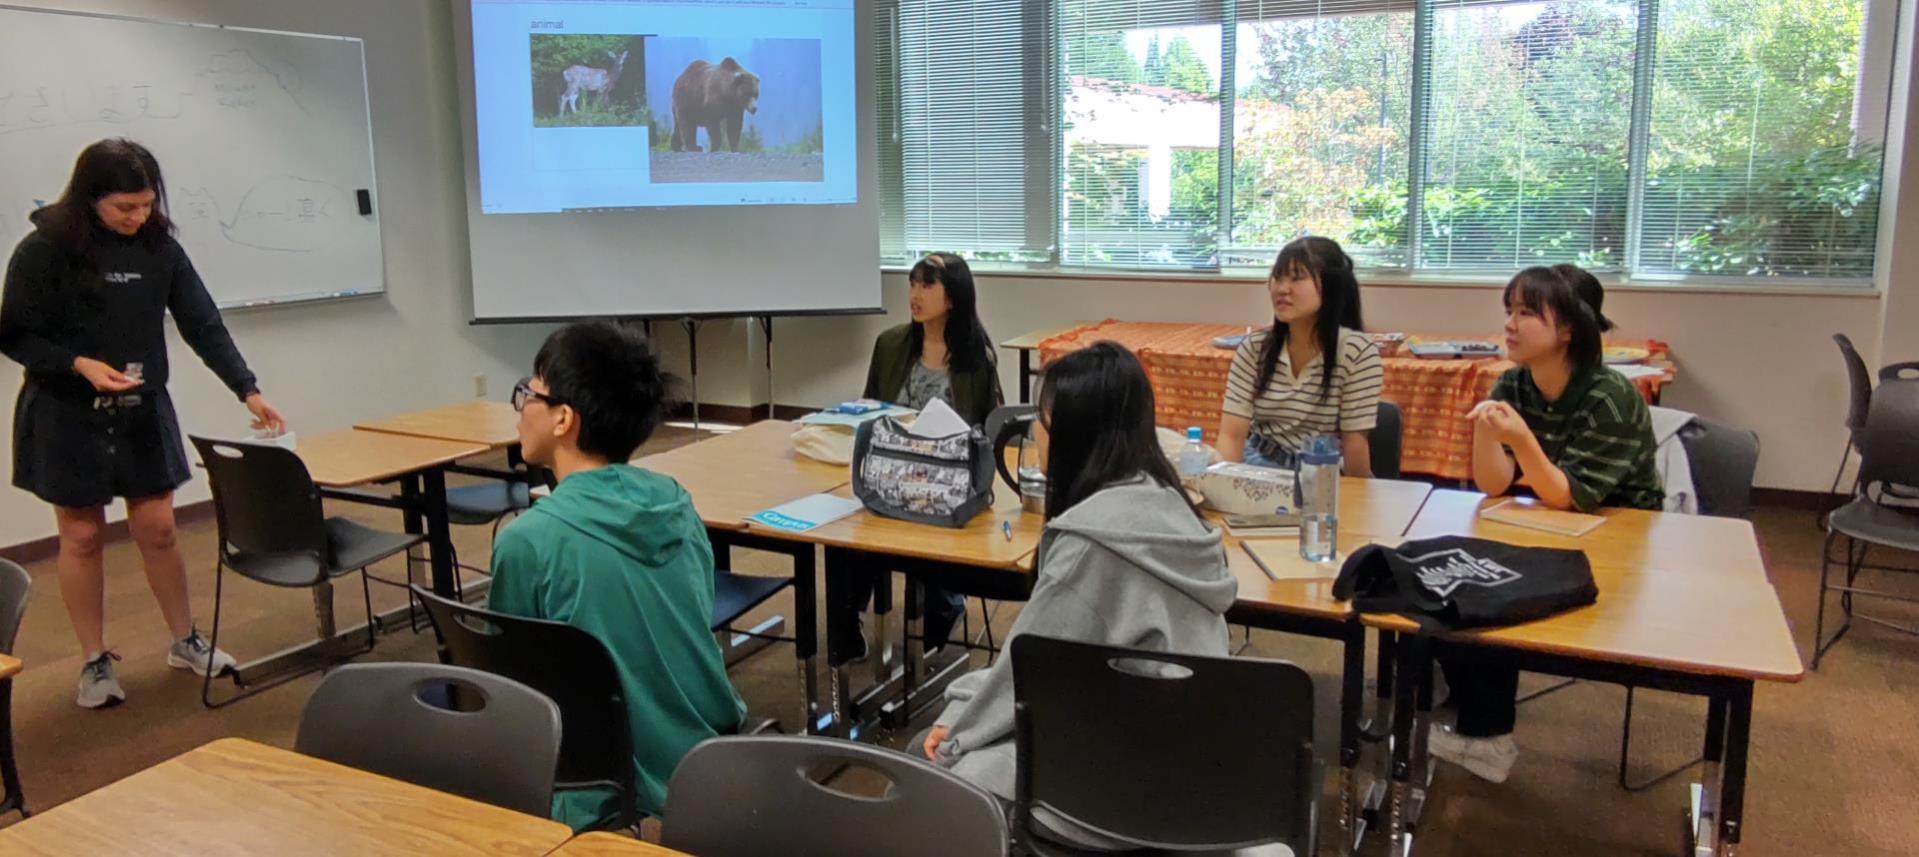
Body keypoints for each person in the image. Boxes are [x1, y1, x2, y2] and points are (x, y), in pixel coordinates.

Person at [0, 139, 285, 709]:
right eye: (124, 207)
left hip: (140, 408)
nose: (138, 217)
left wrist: (247, 389)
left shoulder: (160, 250)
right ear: (90, 200)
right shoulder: (44, 250)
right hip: (65, 409)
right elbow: (13, 333)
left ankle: (184, 639)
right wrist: (79, 364)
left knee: (158, 528)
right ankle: (94, 660)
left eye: (147, 203)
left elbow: (202, 323)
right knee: (81, 535)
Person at [921, 341, 1236, 851]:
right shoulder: (1172, 509)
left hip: (1120, 785)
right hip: (1192, 758)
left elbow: (1025, 669)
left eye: (1041, 422)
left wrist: (956, 725)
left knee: (936, 760)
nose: (1035, 435)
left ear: (1072, 436)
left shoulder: (1093, 543)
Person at [488, 321, 745, 830]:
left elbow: (508, 685)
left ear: (563, 418)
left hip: (596, 777)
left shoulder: (528, 540)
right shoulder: (675, 502)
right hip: (709, 749)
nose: (520, 410)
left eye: (528, 394)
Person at [1431, 265, 1663, 784]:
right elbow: (1493, 485)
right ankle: (1477, 721)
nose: (1510, 325)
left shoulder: (1610, 396)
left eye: (1528, 313)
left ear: (1568, 330)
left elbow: (1571, 495)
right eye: (1509, 311)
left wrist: (1521, 438)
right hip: (1548, 527)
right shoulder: (1515, 381)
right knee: (1452, 583)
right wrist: (1489, 434)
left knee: (1495, 599)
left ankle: (1486, 735)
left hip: (1619, 534)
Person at [836, 252, 1003, 659]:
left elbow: (989, 430)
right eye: (912, 284)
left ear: (953, 298)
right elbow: (872, 410)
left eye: (927, 285)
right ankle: (847, 619)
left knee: (929, 534)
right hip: (892, 471)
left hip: (946, 479)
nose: (914, 294)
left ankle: (945, 603)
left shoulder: (976, 358)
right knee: (852, 527)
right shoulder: (890, 343)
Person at [1216, 236, 1380, 476]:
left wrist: (1359, 501)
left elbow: (1355, 444)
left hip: (1325, 471)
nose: (1282, 288)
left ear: (1331, 285)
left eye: (1297, 277)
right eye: (1278, 277)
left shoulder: (1357, 352)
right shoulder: (1255, 348)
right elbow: (1231, 435)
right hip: (1260, 463)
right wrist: (1223, 485)